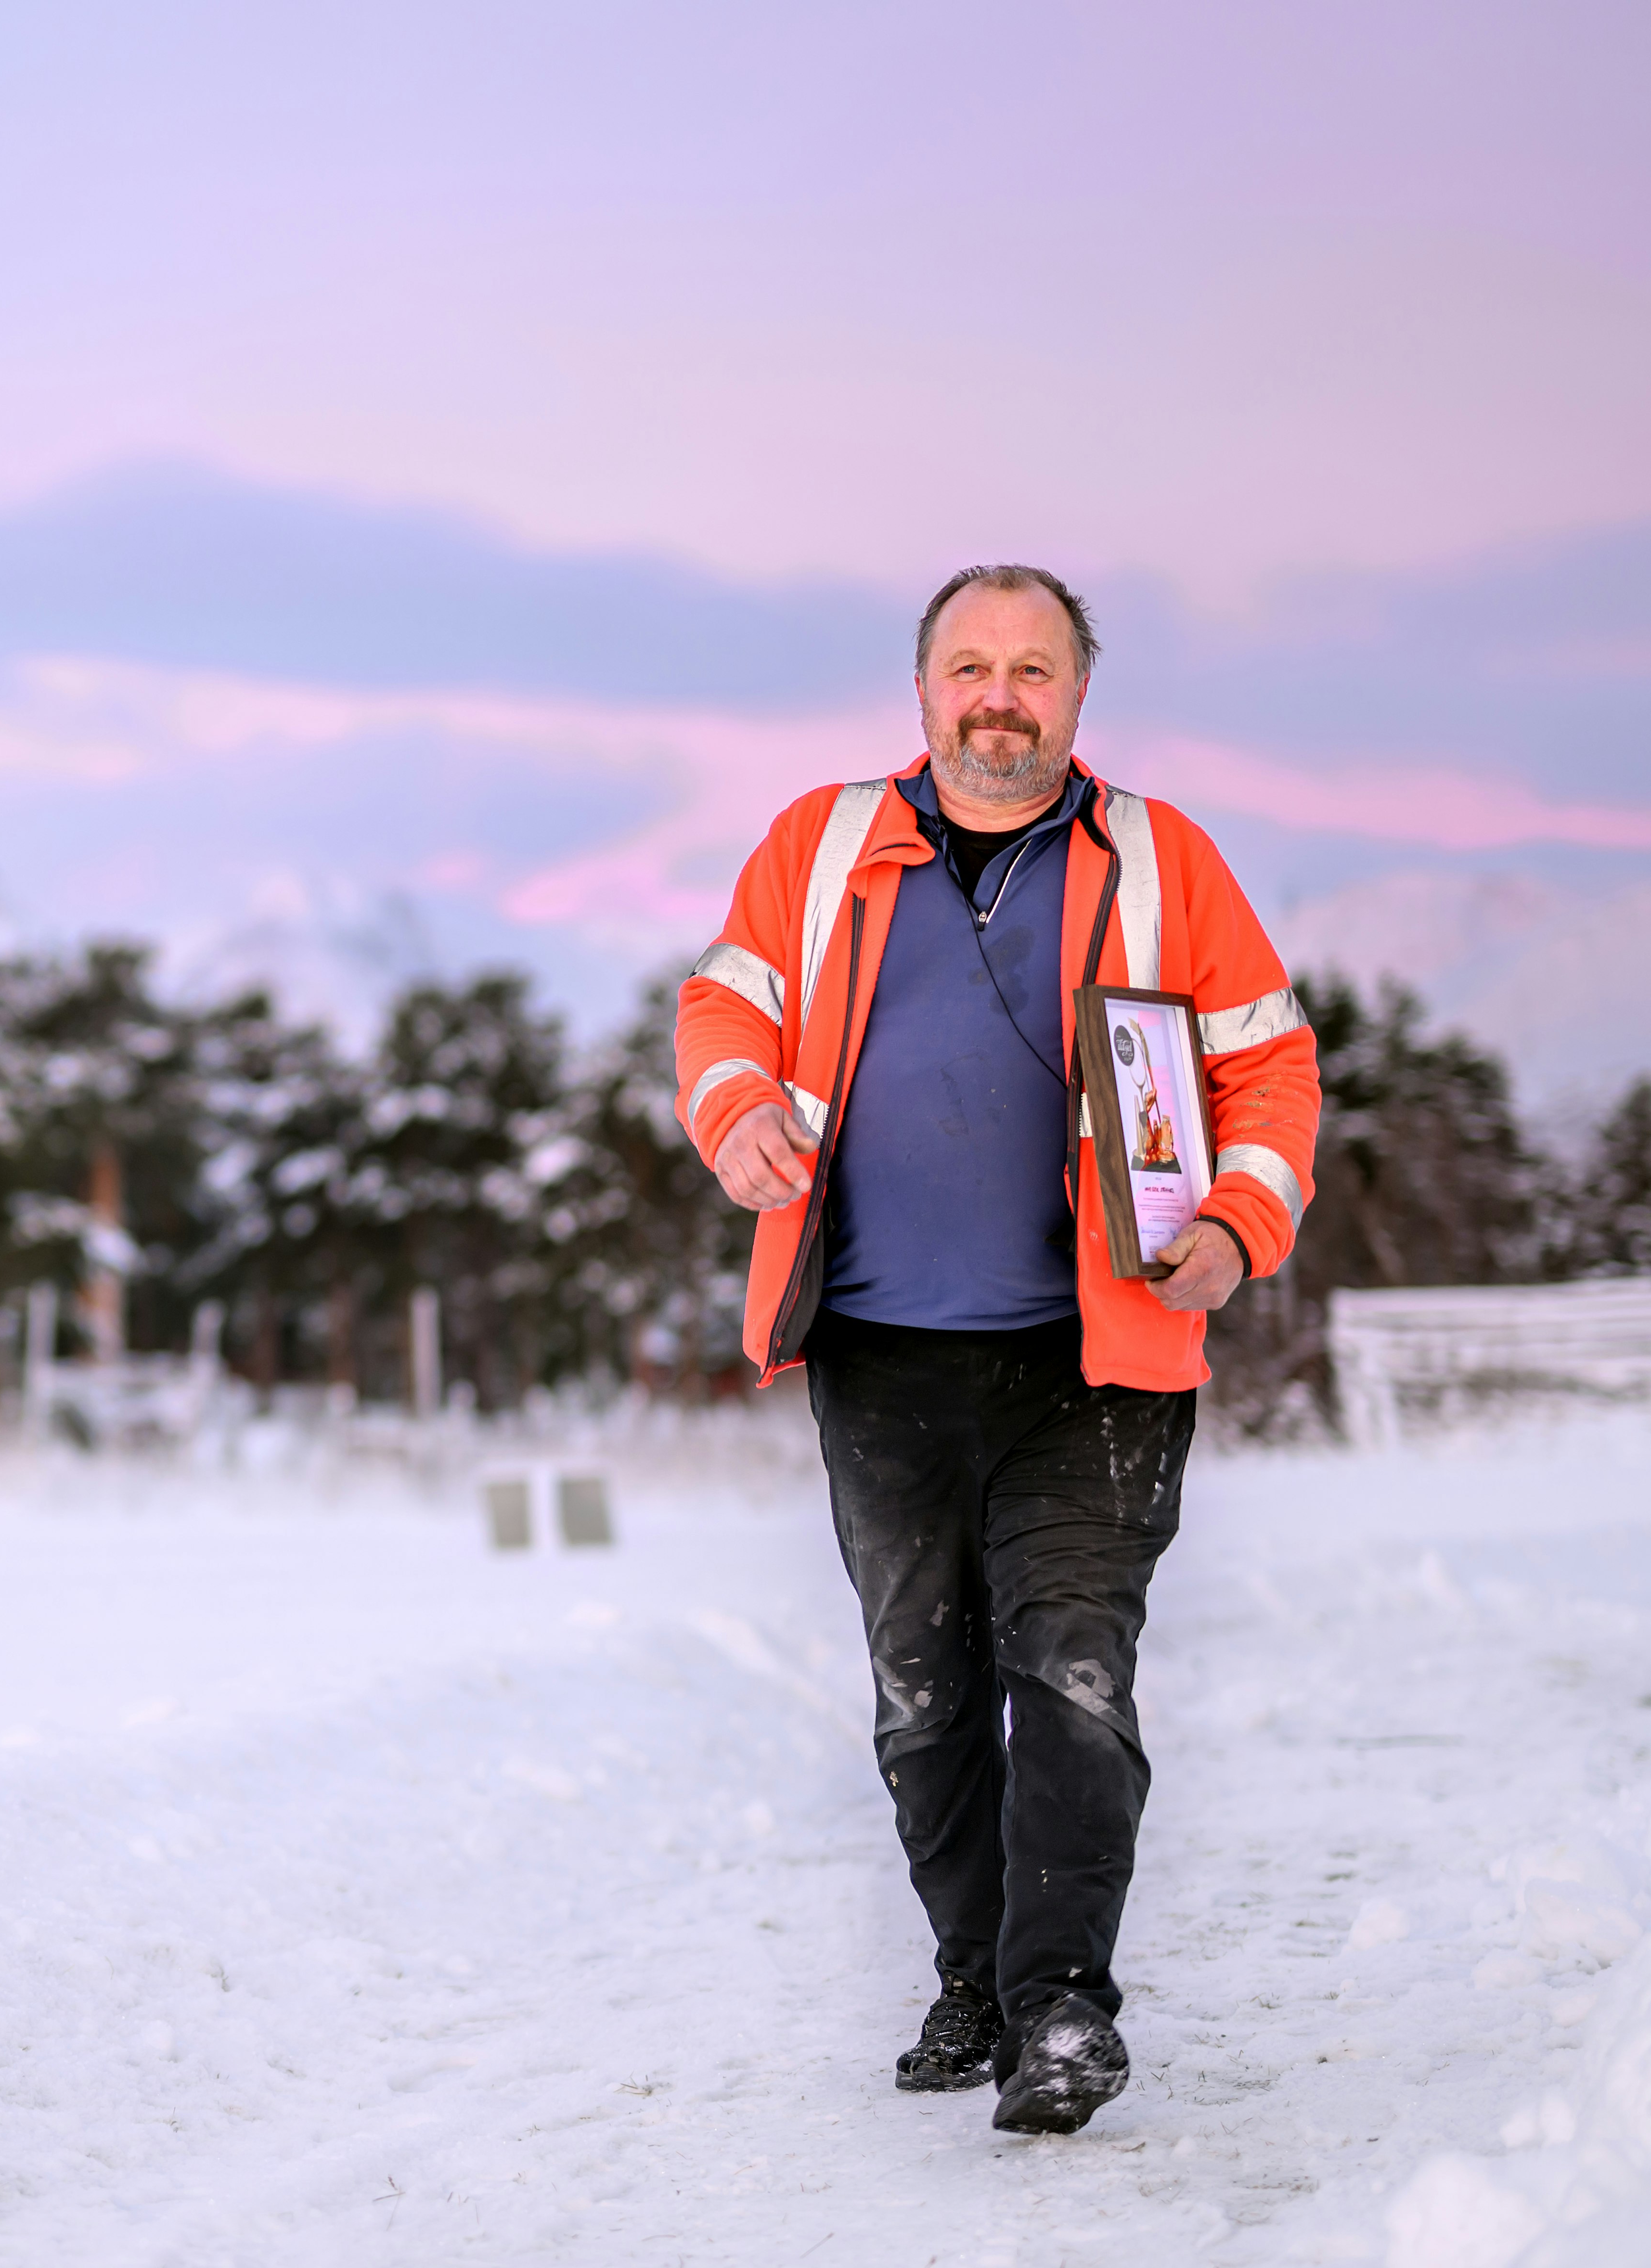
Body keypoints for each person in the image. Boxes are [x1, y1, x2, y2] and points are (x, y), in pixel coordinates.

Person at [672, 565, 1320, 2134]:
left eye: (1033, 669)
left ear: (1078, 697)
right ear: (921, 689)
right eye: (970, 665)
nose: (999, 697)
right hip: (878, 1355)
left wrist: (1238, 1223)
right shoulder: (821, 845)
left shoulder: (1165, 860)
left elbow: (1271, 1072)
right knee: (925, 1702)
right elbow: (720, 1006)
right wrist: (734, 1110)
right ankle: (972, 1972)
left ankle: (1061, 2013)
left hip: (1097, 1360)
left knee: (1074, 1676)